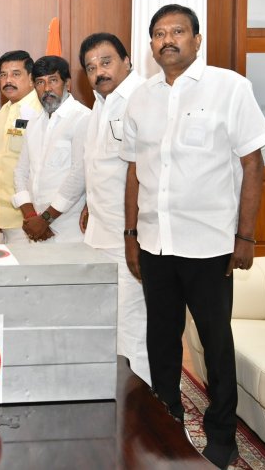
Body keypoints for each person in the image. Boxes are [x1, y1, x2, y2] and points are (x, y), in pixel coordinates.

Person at [121, 4, 265, 468]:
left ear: (197, 39)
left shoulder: (230, 87)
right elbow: (134, 172)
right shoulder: (140, 98)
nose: (168, 40)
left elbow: (253, 163)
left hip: (210, 246)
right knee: (161, 340)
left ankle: (222, 434)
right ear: (151, 44)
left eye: (178, 31)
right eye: (159, 33)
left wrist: (245, 237)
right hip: (156, 243)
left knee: (215, 343)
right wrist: (131, 234)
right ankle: (167, 421)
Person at [76, 33, 151, 385]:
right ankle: (116, 397)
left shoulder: (142, 99)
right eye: (91, 67)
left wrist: (133, 236)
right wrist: (89, 202)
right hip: (99, 234)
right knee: (106, 324)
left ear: (127, 61)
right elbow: (101, 166)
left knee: (131, 327)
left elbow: (145, 171)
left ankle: (144, 406)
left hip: (129, 238)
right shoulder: (100, 104)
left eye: (106, 62)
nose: (99, 72)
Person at [12, 55, 90, 243]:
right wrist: (31, 215)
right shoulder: (34, 122)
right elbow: (21, 171)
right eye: (40, 82)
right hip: (35, 225)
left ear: (67, 83)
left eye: (53, 80)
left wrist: (46, 219)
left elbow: (79, 175)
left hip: (68, 227)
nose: (46, 88)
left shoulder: (82, 118)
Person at [0, 50, 44, 244]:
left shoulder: (42, 111)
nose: (8, 80)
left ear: (31, 78)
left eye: (16, 74)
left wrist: (40, 216)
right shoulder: (1, 115)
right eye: (3, 75)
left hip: (32, 217)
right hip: (5, 216)